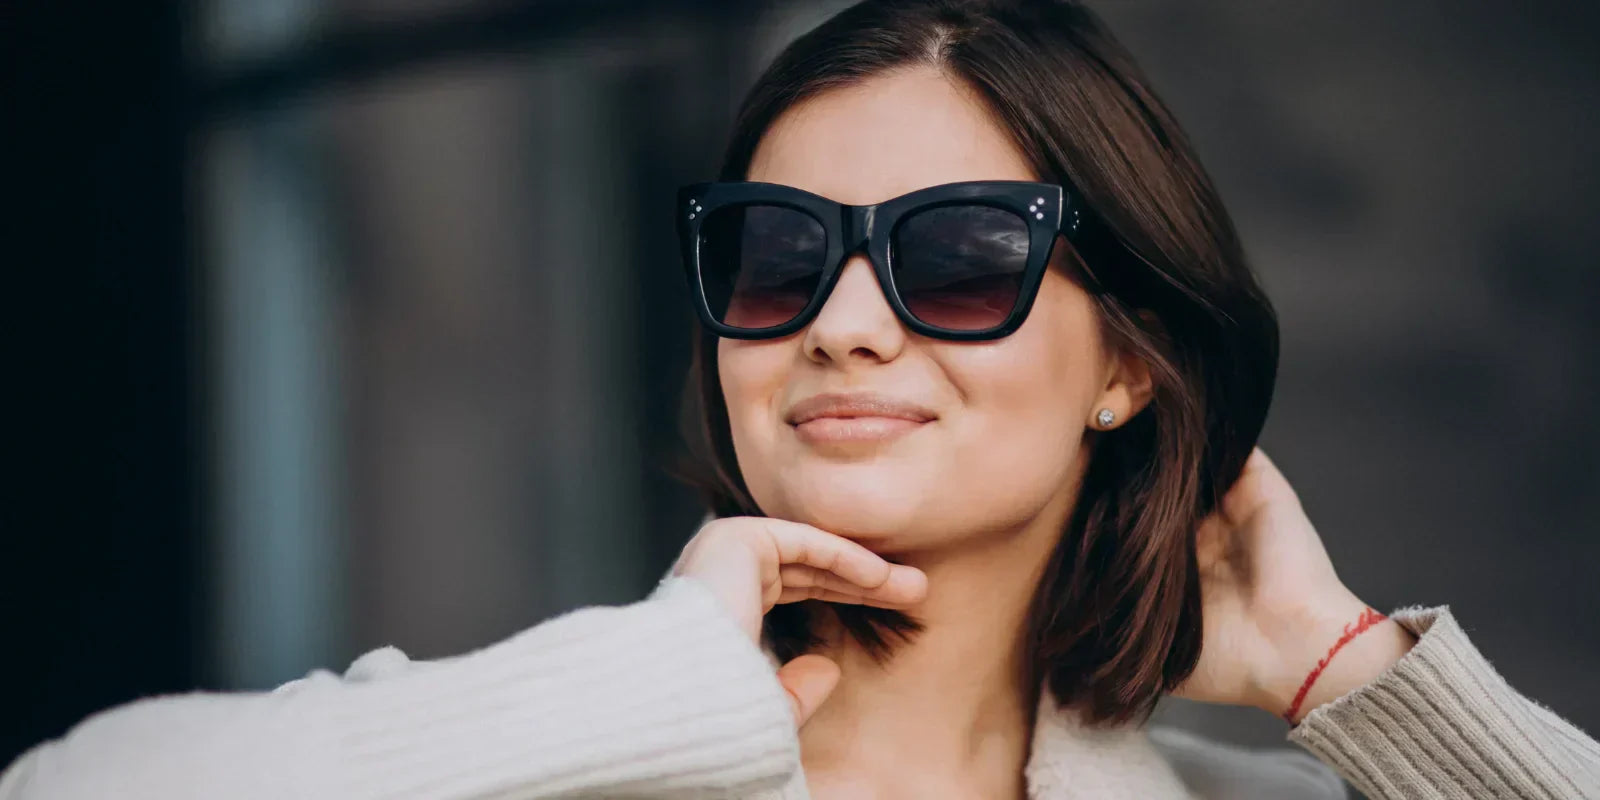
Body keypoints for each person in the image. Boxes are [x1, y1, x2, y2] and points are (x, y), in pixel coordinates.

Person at [5, 1, 1598, 798]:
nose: (839, 325)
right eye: (775, 257)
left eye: (956, 257)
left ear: (1125, 362)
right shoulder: (558, 742)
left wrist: (1349, 670)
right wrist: (663, 674)